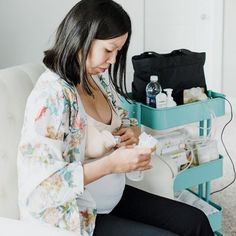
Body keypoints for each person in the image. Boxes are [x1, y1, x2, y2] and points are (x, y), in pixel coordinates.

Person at [17, 0, 214, 235]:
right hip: (76, 215)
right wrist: (111, 165)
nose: (112, 60)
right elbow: (41, 186)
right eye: (109, 50)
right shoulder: (51, 97)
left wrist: (133, 131)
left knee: (196, 220)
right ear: (82, 37)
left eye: (118, 51)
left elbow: (122, 118)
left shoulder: (97, 78)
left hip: (113, 198)